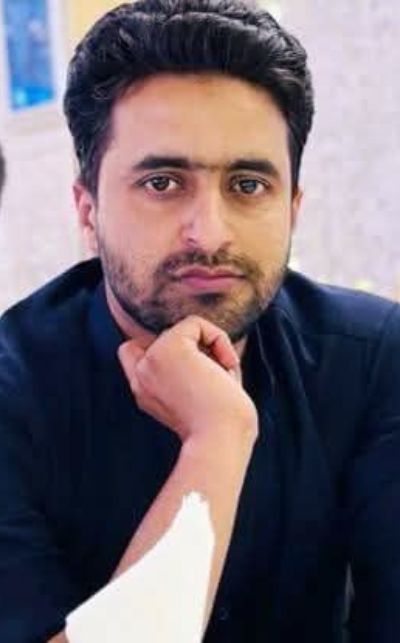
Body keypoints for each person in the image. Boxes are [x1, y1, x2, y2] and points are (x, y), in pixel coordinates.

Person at [0, 0, 399, 641]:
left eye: (248, 185)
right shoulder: (14, 392)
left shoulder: (374, 358)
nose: (209, 234)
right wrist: (216, 439)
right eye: (162, 183)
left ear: (293, 208)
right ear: (87, 211)